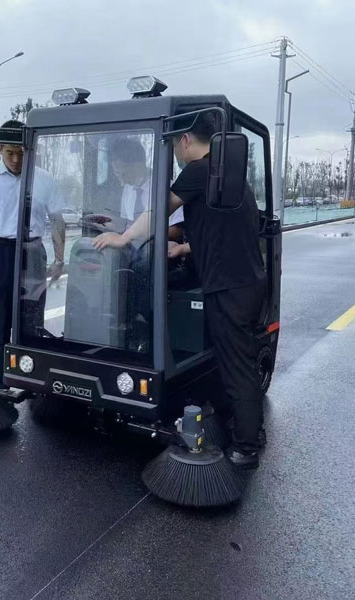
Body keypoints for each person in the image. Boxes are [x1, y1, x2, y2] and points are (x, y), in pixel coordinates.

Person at [94, 113, 267, 469]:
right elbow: (221, 228)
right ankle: (247, 429)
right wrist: (184, 249)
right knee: (235, 360)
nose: (174, 152)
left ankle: (247, 447)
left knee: (237, 366)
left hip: (230, 287)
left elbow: (161, 210)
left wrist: (124, 237)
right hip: (242, 282)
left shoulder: (199, 170)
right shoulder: (224, 174)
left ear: (185, 140)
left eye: (174, 144)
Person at [0, 119, 66, 391]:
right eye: (10, 152)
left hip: (34, 251)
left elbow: (57, 220)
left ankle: (33, 378)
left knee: (33, 317)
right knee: (1, 317)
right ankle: (1, 381)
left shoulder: (44, 179)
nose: (15, 159)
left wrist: (59, 258)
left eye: (21, 153)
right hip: (2, 252)